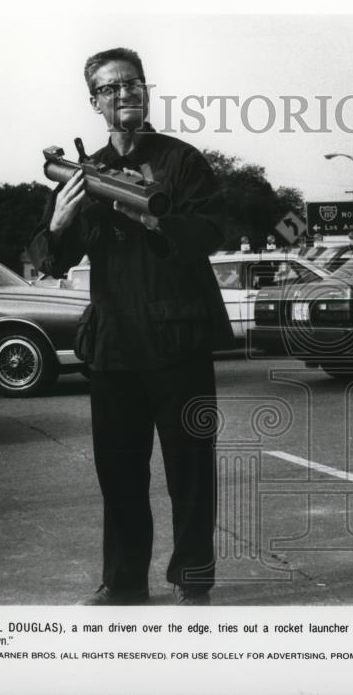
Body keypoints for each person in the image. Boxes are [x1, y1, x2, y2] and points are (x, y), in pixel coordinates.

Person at [28, 47, 234, 606]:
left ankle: (194, 582)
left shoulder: (183, 161)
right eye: (112, 88)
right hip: (115, 348)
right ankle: (124, 583)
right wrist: (62, 218)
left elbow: (213, 230)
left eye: (133, 84)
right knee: (119, 478)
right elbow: (49, 259)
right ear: (95, 101)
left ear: (146, 92)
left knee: (191, 474)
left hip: (180, 343)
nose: (125, 94)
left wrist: (153, 216)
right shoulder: (81, 173)